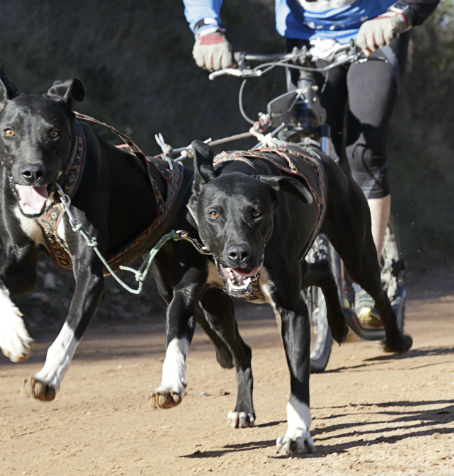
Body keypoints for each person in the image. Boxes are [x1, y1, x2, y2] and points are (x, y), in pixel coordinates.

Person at [182, 0, 439, 323]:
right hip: (305, 36)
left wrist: (401, 12)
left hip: (375, 27)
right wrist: (206, 26)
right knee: (299, 144)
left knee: (363, 151)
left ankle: (367, 270)